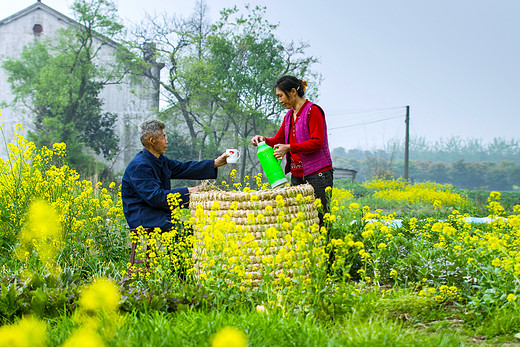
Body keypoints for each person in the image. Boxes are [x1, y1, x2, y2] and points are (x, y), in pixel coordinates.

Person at [251, 75, 333, 225]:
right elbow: (278, 141)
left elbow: (317, 142)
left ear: (293, 91)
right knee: (300, 219)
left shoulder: (313, 111)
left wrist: (288, 148)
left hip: (318, 174)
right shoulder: (289, 116)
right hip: (297, 175)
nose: (280, 100)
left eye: (281, 96)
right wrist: (262, 140)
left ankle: (327, 248)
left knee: (320, 219)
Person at [122, 119, 229, 230]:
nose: (166, 141)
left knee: (195, 228)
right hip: (143, 216)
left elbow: (184, 168)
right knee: (189, 232)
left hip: (157, 213)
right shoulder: (140, 166)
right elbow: (155, 197)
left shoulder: (160, 160)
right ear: (152, 141)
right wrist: (188, 192)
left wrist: (215, 163)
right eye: (163, 137)